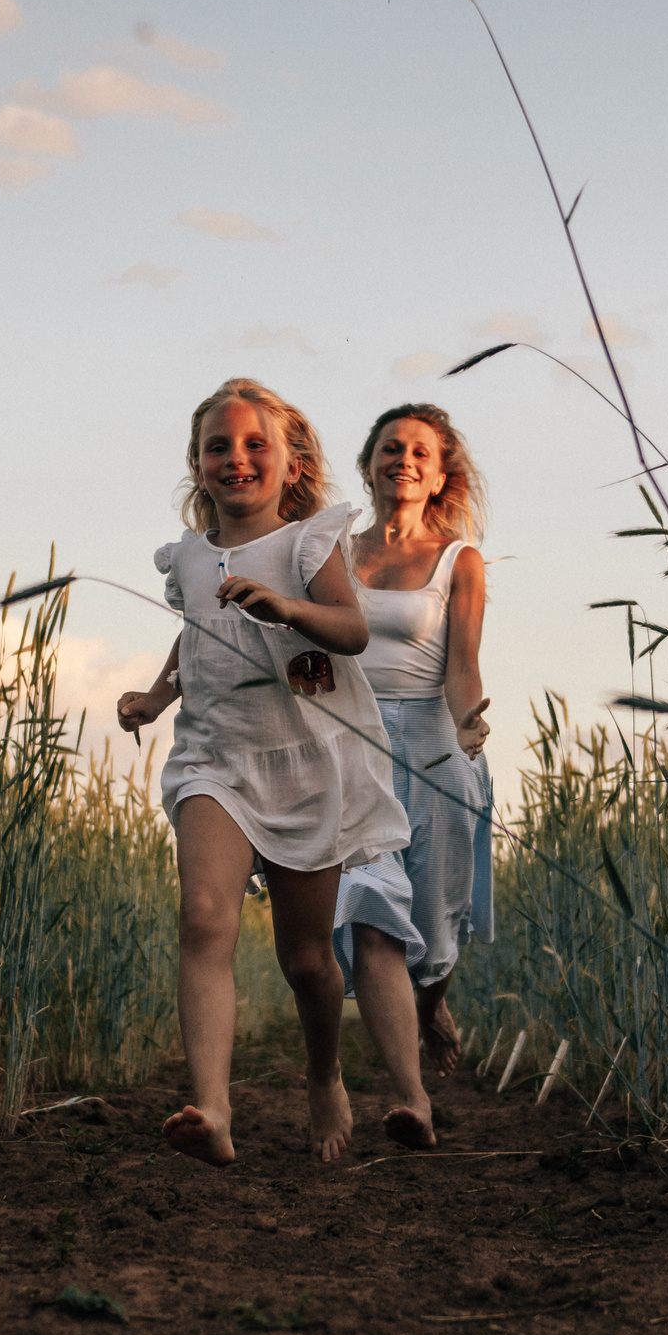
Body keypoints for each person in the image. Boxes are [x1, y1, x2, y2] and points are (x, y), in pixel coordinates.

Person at [116, 378, 438, 1166]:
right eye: (218, 447)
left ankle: (325, 1071)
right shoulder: (190, 555)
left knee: (306, 960)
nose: (236, 458)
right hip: (214, 758)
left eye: (255, 444)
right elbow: (197, 633)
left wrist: (287, 609)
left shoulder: (306, 544)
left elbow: (352, 630)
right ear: (196, 465)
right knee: (203, 916)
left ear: (290, 462)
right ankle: (214, 1109)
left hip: (304, 764)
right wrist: (158, 696)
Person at [331, 402, 494, 1080]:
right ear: (368, 464)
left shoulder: (460, 559)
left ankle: (430, 1010)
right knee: (362, 898)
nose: (404, 460)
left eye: (420, 453)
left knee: (433, 904)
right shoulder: (333, 550)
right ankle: (392, 1048)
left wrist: (468, 722)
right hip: (347, 739)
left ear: (438, 476)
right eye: (392, 448)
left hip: (434, 741)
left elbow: (461, 664)